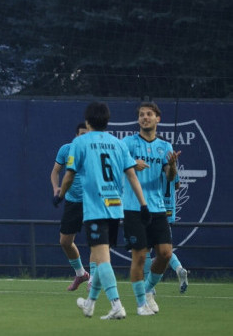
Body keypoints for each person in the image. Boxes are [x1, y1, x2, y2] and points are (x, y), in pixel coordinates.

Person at [61, 101, 149, 320]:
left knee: (102, 260)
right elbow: (131, 175)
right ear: (107, 121)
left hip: (95, 208)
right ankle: (90, 304)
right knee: (102, 258)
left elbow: (70, 174)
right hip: (114, 207)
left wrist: (60, 194)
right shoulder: (118, 144)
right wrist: (143, 204)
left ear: (88, 121)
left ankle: (117, 305)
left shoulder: (80, 142)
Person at [120, 102, 179, 315]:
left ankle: (147, 291)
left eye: (149, 114)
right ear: (138, 120)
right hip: (133, 207)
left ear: (158, 119)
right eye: (142, 115)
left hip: (157, 207)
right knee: (140, 257)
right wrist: (131, 163)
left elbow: (171, 178)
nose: (145, 117)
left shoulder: (165, 147)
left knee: (164, 253)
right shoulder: (127, 143)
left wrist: (171, 166)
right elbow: (116, 164)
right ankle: (140, 304)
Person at [51, 122, 91, 291]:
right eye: (82, 134)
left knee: (98, 243)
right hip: (72, 201)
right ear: (76, 135)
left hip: (92, 201)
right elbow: (55, 172)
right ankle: (81, 273)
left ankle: (94, 279)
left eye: (87, 134)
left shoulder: (95, 152)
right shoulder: (66, 150)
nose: (84, 137)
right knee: (65, 242)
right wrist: (56, 189)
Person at [144, 172, 188, 293]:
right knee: (165, 251)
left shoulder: (156, 165)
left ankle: (149, 288)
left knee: (146, 249)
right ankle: (179, 268)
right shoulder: (171, 166)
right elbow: (177, 184)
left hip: (156, 209)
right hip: (169, 212)